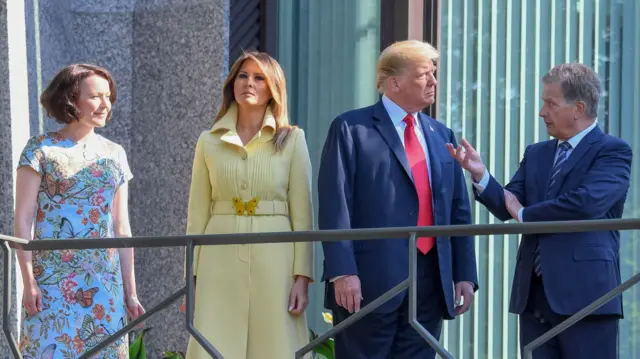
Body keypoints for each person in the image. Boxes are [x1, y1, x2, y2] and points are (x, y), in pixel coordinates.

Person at [448, 63, 630, 358]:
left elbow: (586, 204)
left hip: (587, 298)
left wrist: (526, 215)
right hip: (533, 298)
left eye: (550, 103)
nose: (542, 112)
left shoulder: (612, 150)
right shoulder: (537, 153)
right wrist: (481, 176)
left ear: (578, 108)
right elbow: (507, 203)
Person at [318, 40, 479, 359]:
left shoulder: (441, 135)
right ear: (394, 82)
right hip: (367, 283)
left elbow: (457, 210)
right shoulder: (352, 128)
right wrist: (342, 271)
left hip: (430, 283)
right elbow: (335, 202)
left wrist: (464, 274)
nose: (434, 82)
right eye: (424, 74)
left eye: (433, 74)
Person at [182, 51, 314, 359]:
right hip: (218, 256)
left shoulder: (292, 139)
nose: (249, 83)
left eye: (259, 78)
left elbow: (303, 214)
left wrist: (302, 277)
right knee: (214, 340)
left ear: (272, 89)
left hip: (277, 257)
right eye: (242, 76)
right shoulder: (208, 141)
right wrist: (191, 277)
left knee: (277, 342)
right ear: (232, 84)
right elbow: (196, 214)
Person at [14, 64, 145, 358]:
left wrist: (129, 291)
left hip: (103, 281)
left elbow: (122, 227)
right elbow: (22, 221)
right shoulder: (40, 149)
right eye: (96, 96)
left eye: (108, 97)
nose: (105, 104)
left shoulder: (115, 154)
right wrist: (28, 282)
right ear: (71, 98)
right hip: (51, 283)